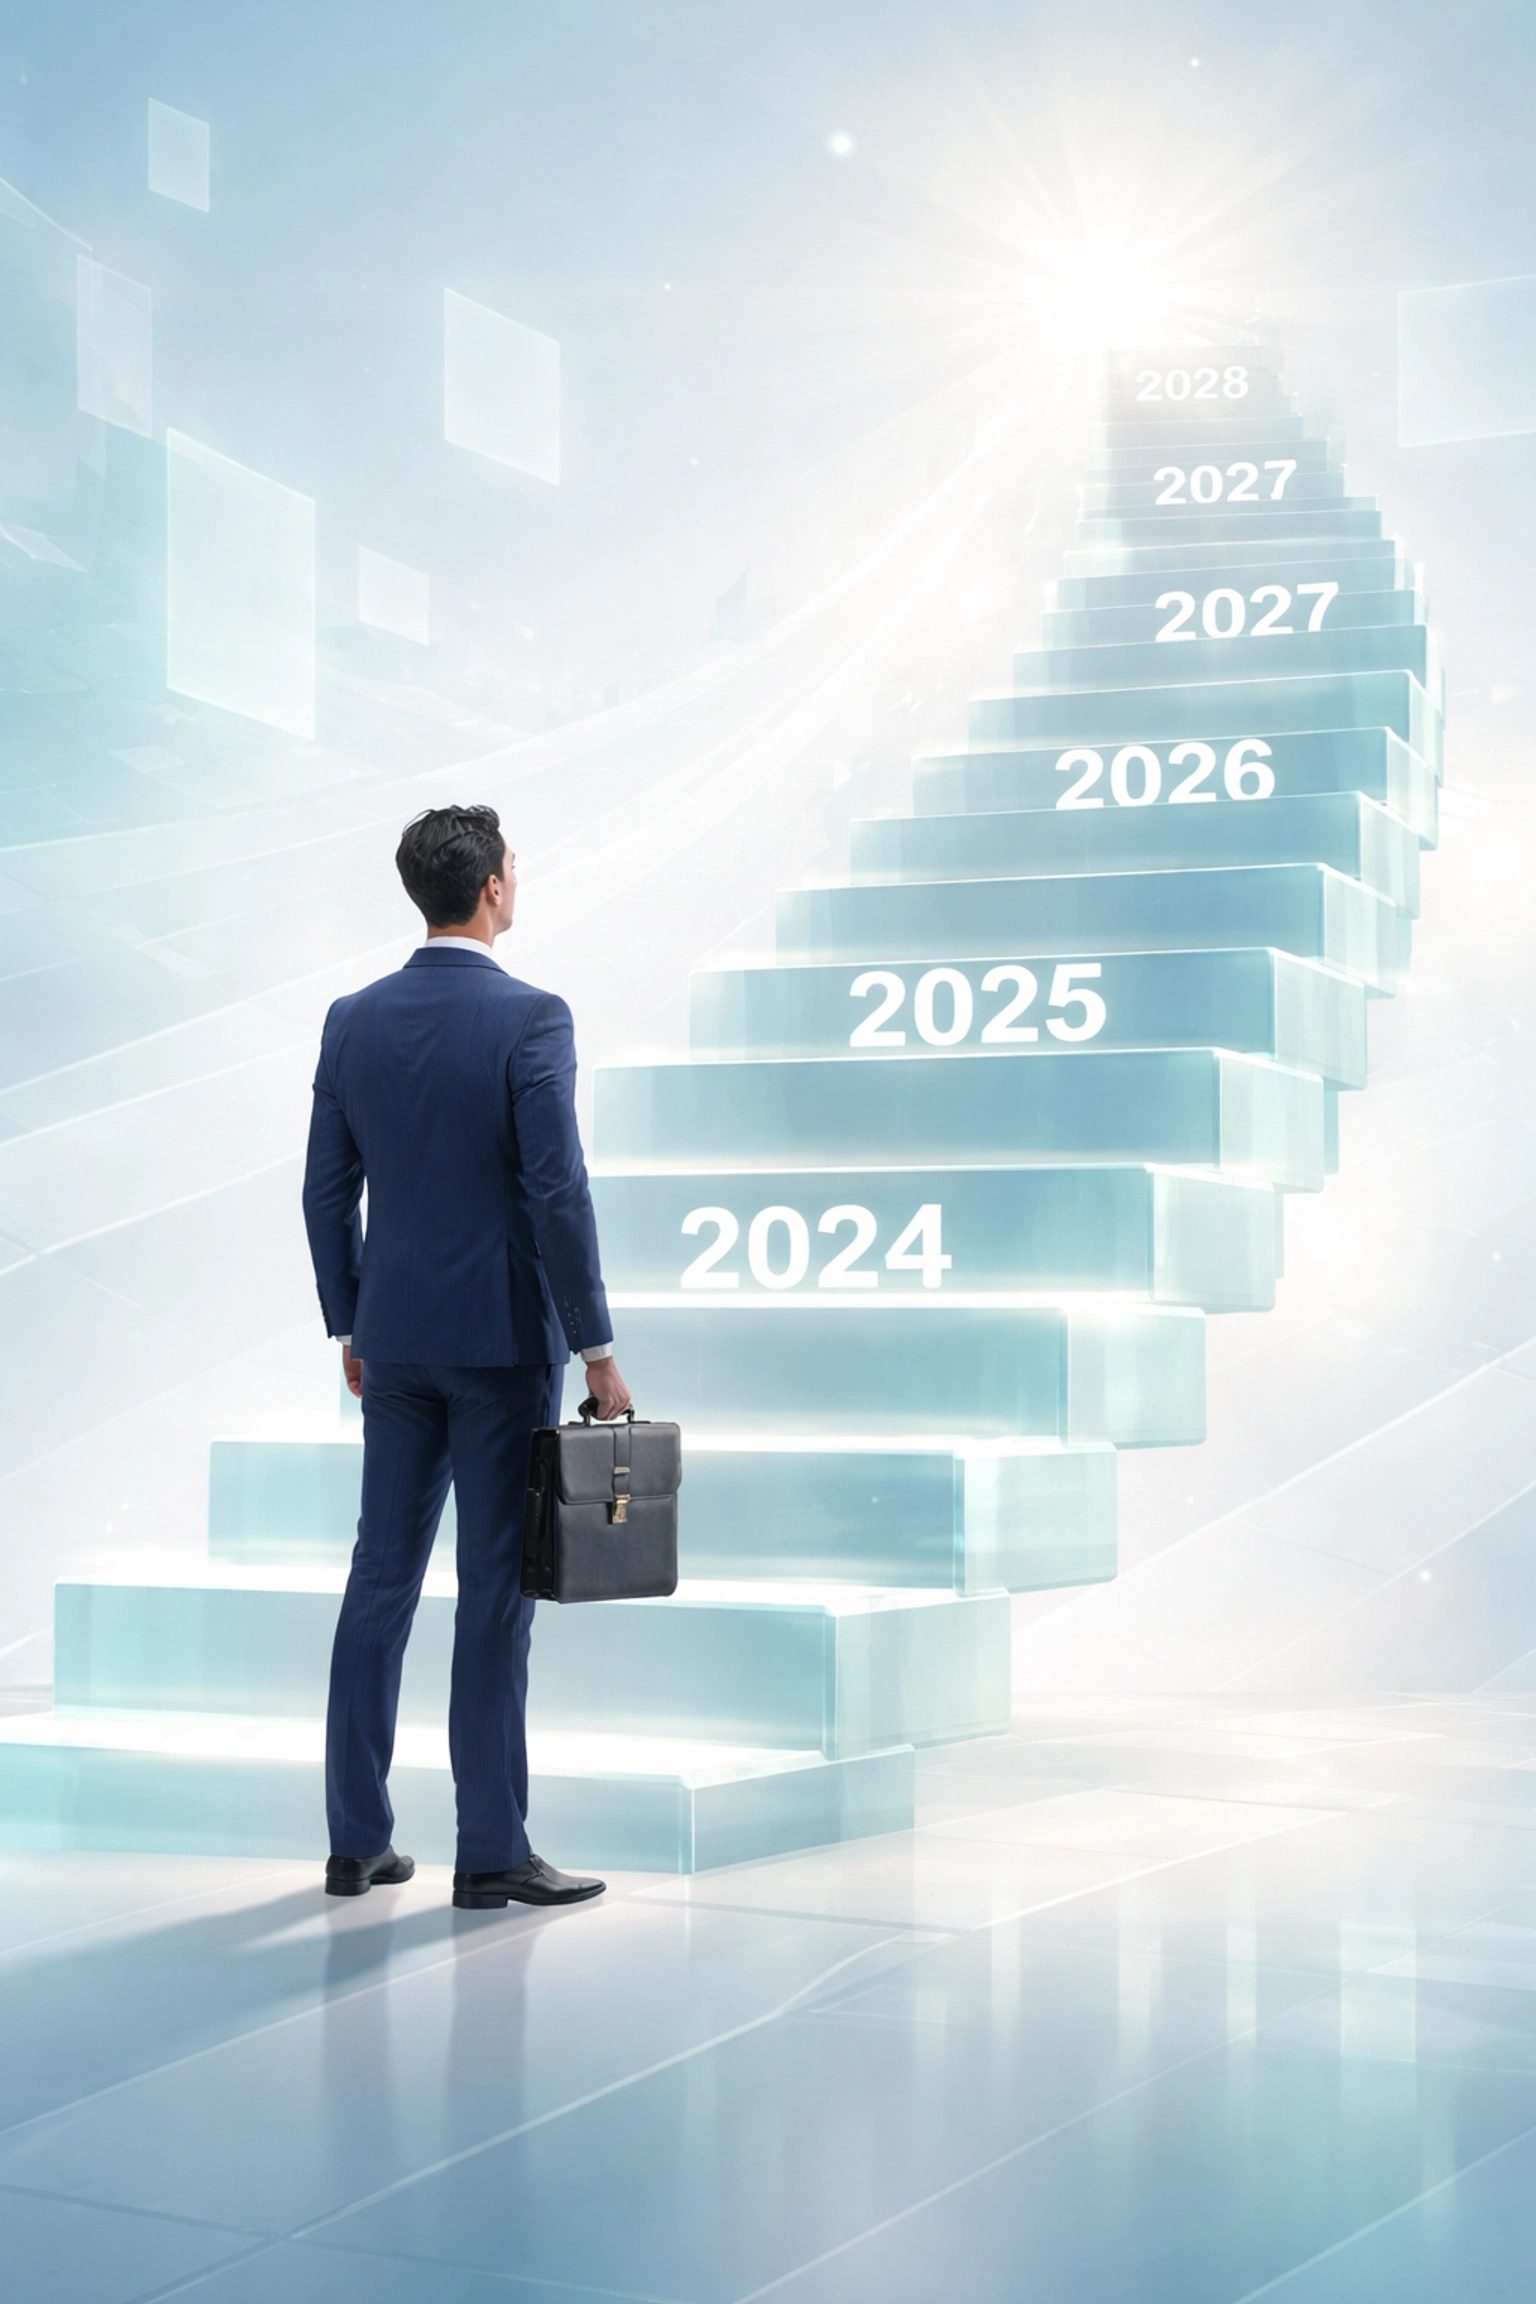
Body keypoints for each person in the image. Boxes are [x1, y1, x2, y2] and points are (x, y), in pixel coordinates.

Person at [301, 803, 631, 1911]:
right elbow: (556, 1192)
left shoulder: (351, 1020)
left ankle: (356, 1843)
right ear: (492, 887)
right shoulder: (532, 1018)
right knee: (493, 1591)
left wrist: (351, 1322)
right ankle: (489, 1852)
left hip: (393, 1345)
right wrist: (595, 1346)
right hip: (500, 1345)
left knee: (378, 1579)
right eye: (514, 869)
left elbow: (324, 1194)